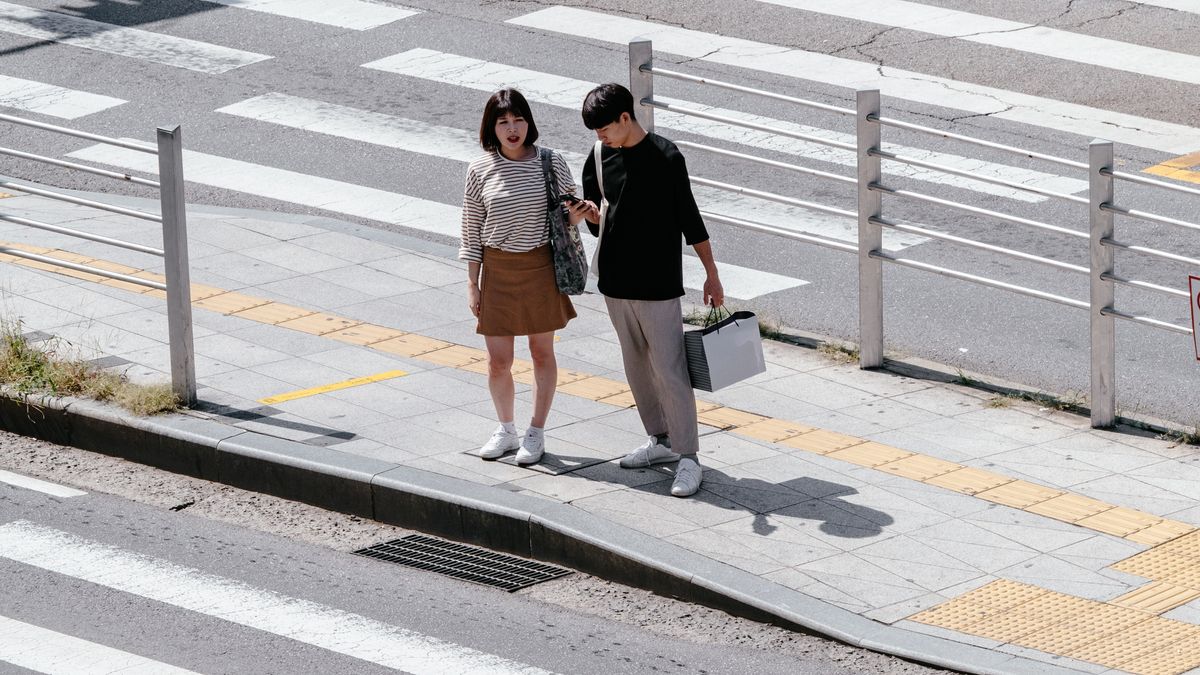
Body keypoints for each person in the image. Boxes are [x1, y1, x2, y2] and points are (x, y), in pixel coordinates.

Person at [576, 83, 724, 498]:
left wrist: (711, 273)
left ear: (626, 117)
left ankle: (689, 456)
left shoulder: (665, 157)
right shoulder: (600, 156)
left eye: (604, 127)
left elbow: (689, 219)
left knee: (670, 368)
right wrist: (586, 215)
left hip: (658, 284)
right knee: (637, 366)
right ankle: (659, 441)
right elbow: (596, 218)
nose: (599, 136)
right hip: (615, 282)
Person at [459, 88, 583, 466]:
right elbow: (471, 228)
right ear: (491, 128)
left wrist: (578, 215)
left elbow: (568, 211)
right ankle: (506, 429)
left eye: (519, 120)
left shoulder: (549, 161)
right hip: (497, 269)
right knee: (499, 360)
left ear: (529, 122)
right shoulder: (480, 169)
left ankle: (536, 431)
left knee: (541, 352)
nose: (513, 129)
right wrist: (472, 283)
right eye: (503, 122)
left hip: (541, 267)